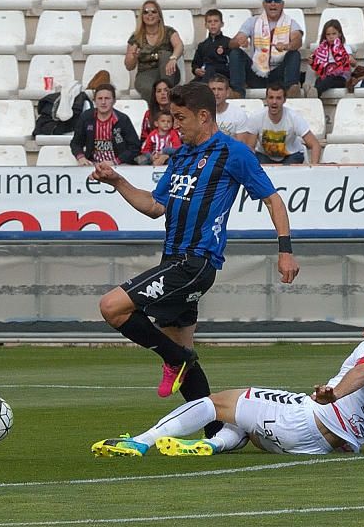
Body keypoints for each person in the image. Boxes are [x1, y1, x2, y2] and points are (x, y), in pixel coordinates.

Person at [88, 82, 300, 437]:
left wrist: (285, 250)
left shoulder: (233, 153)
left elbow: (274, 201)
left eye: (181, 117)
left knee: (111, 307)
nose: (175, 124)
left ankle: (176, 358)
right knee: (184, 357)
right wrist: (118, 181)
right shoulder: (181, 156)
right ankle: (217, 434)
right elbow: (155, 207)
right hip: (173, 260)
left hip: (195, 262)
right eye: (172, 117)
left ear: (204, 116)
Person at [91, 301, 364, 457]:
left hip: (306, 418)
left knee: (216, 403)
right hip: (321, 448)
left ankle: (140, 441)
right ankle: (209, 445)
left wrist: (335, 394)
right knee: (249, 426)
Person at [228, 0, 304, 99]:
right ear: (264, 4)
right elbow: (231, 44)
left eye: (276, 1)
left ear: (282, 4)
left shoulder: (290, 22)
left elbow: (298, 41)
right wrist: (239, 41)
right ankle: (237, 92)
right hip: (256, 72)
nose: (273, 3)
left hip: (279, 73)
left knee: (294, 54)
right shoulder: (253, 21)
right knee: (235, 53)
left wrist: (287, 46)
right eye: (269, 1)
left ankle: (290, 90)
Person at [243, 84, 321, 165]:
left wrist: (314, 168)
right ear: (266, 99)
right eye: (271, 98)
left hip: (291, 155)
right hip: (264, 156)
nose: (274, 102)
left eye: (278, 98)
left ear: (284, 100)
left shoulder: (294, 117)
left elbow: (315, 144)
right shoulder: (256, 117)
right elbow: (250, 147)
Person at [125, 0, 184, 102]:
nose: (150, 14)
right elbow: (129, 66)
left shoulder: (168, 31)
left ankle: (167, 91)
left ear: (159, 16)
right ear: (142, 17)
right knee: (152, 90)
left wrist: (173, 58)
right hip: (145, 74)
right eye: (146, 12)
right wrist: (134, 57)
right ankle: (160, 112)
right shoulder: (136, 37)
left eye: (153, 11)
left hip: (168, 72)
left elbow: (179, 45)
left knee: (165, 55)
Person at [70, 83, 140, 165]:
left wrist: (116, 161)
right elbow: (75, 143)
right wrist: (81, 157)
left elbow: (134, 147)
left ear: (114, 101)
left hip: (119, 165)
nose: (103, 102)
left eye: (107, 98)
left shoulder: (123, 120)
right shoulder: (86, 118)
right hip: (93, 165)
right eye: (100, 98)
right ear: (94, 101)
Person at [309, 19, 355, 97]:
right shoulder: (323, 50)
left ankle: (314, 91)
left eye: (334, 34)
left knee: (330, 79)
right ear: (325, 36)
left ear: (339, 34)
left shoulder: (345, 47)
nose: (331, 37)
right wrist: (312, 63)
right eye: (328, 34)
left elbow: (354, 63)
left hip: (341, 78)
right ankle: (314, 94)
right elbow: (319, 69)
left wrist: (351, 60)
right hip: (326, 76)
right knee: (319, 80)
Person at [191, 9, 231, 83]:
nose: (213, 24)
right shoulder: (202, 45)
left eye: (216, 21)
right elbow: (195, 64)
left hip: (222, 77)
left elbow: (231, 65)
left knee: (210, 69)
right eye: (209, 22)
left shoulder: (228, 42)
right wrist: (196, 70)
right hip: (205, 75)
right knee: (189, 88)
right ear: (206, 25)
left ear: (222, 24)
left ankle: (205, 90)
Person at [209, 74, 249, 142]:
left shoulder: (239, 114)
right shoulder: (202, 114)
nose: (216, 93)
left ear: (227, 92)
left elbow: (241, 145)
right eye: (213, 89)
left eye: (220, 89)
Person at [139, 78, 172, 142]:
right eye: (159, 91)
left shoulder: (178, 113)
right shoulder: (148, 114)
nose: (163, 93)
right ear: (155, 95)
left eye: (166, 90)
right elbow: (144, 138)